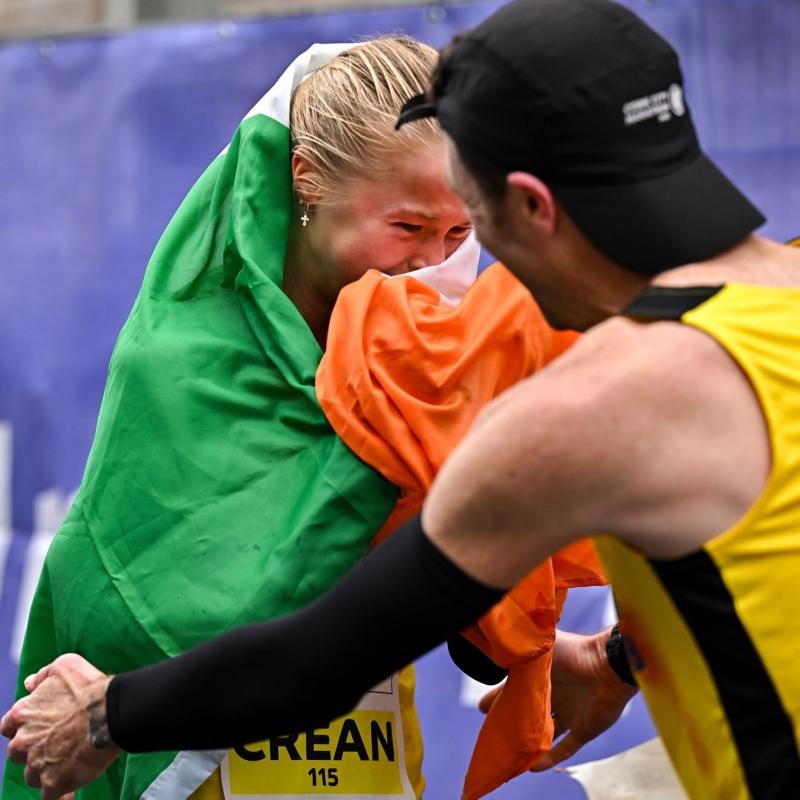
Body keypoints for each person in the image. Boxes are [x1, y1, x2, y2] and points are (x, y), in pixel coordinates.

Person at [11, 1, 798, 798]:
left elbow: (319, 660)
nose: (443, 276)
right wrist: (627, 658)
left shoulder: (594, 401)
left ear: (530, 206)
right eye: (415, 228)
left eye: (467, 232)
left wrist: (104, 716)